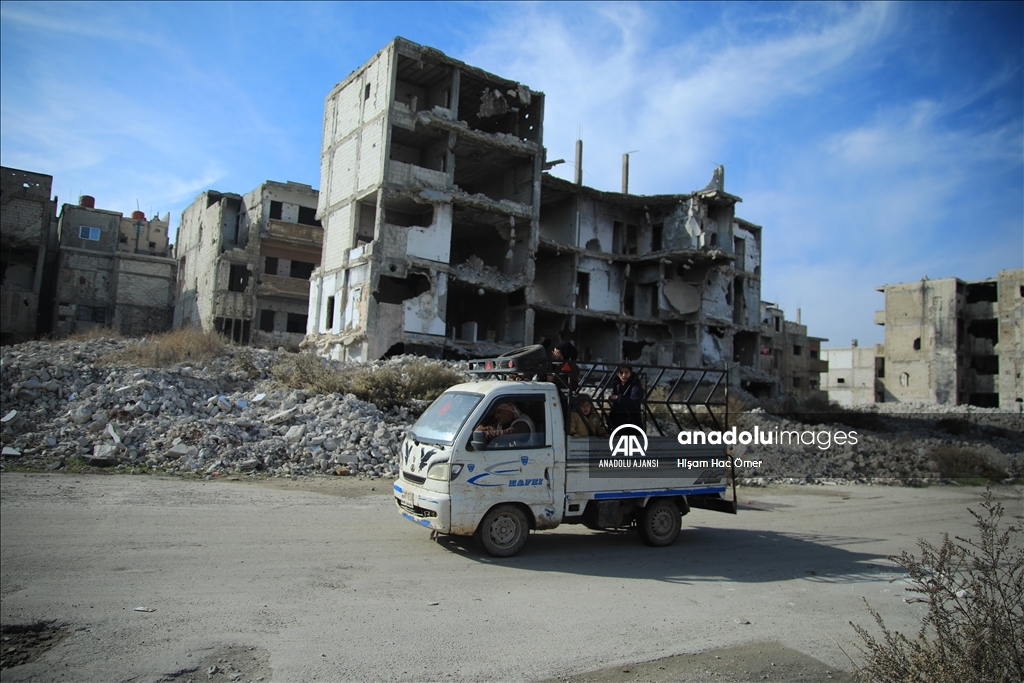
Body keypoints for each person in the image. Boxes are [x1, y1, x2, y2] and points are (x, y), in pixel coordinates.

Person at [607, 365, 643, 431]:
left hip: (631, 422)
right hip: (617, 423)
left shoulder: (635, 385)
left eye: (626, 372)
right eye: (621, 372)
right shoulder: (616, 384)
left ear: (630, 373)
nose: (624, 375)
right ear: (618, 374)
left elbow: (634, 403)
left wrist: (618, 397)